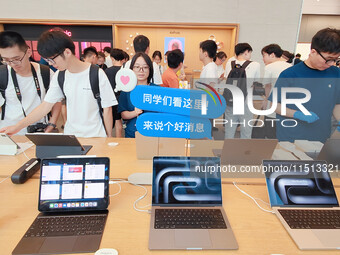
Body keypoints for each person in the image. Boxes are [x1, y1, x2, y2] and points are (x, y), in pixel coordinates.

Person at [0, 30, 117, 137]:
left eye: (52, 60)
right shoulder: (60, 76)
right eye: (48, 61)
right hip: (71, 137)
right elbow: (45, 107)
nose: (51, 64)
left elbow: (107, 109)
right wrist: (16, 127)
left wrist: (108, 137)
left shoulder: (97, 73)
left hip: (96, 135)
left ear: (67, 52)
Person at [269, 28, 340, 143]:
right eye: (328, 59)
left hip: (321, 137)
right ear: (313, 52)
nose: (331, 64)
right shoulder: (290, 74)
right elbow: (274, 106)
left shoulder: (335, 73)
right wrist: (297, 114)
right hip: (291, 138)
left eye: (335, 60)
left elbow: (337, 103)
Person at [0, 31, 60, 135]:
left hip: (40, 132)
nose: (12, 64)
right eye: (6, 60)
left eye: (16, 59)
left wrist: (52, 124)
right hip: (9, 133)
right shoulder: (2, 74)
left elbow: (56, 100)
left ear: (28, 52)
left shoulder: (45, 72)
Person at [223, 43, 260, 139]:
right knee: (246, 128)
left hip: (230, 98)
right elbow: (256, 82)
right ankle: (244, 152)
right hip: (246, 100)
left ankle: (228, 150)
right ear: (247, 52)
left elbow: (226, 79)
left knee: (229, 127)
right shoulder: (255, 65)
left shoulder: (229, 63)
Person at [118, 52, 156, 138]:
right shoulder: (126, 90)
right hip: (133, 135)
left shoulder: (157, 90)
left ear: (150, 69)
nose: (141, 70)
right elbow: (123, 114)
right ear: (132, 69)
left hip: (153, 134)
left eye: (145, 67)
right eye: (137, 67)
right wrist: (135, 112)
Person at [260, 43, 292, 138]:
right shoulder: (291, 66)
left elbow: (267, 86)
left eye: (264, 55)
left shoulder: (269, 67)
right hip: (288, 107)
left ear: (272, 55)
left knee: (270, 134)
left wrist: (266, 99)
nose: (263, 59)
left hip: (273, 105)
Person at [105, 48, 125, 137]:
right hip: (124, 99)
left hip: (112, 99)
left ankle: (115, 139)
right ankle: (120, 140)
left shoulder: (107, 71)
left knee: (116, 121)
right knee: (120, 121)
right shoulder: (126, 71)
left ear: (112, 58)